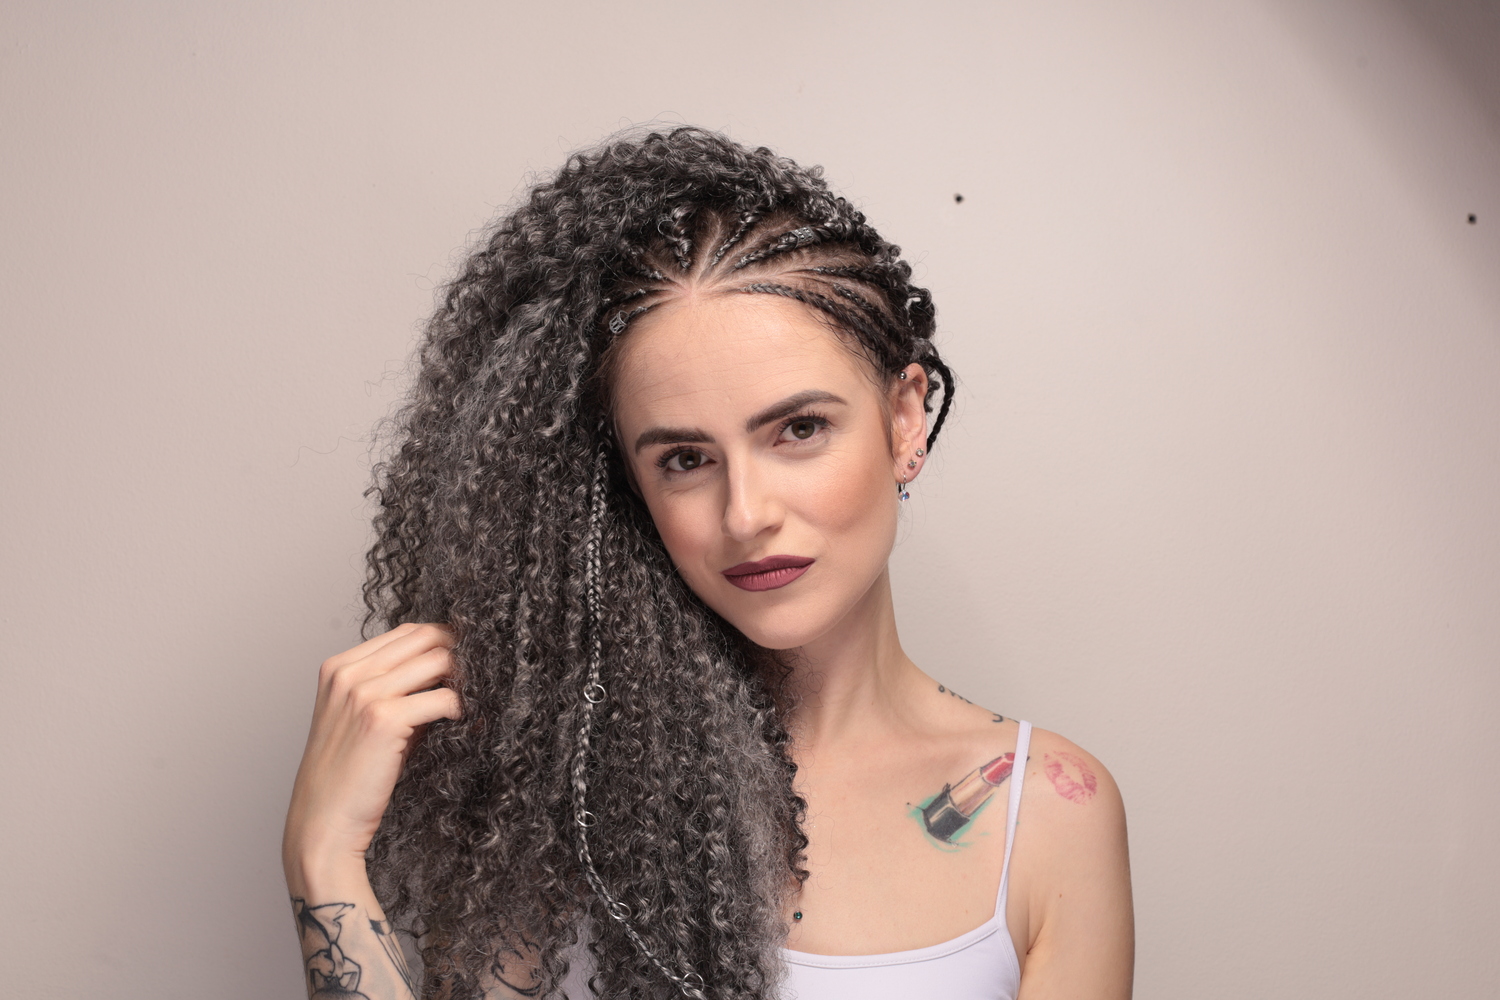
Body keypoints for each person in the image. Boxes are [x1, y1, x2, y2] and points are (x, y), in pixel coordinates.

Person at [283, 126, 1133, 1000]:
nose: (746, 514)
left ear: (904, 419)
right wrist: (324, 857)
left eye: (799, 429)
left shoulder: (1047, 813)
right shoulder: (550, 799)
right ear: (631, 483)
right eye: (685, 459)